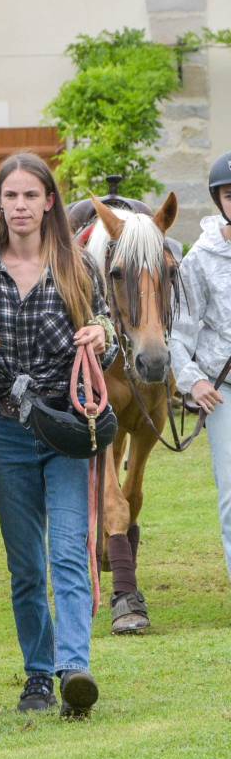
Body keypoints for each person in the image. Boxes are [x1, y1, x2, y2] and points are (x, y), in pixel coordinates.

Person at [0, 151, 117, 718]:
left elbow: (111, 325)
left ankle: (74, 669)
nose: (20, 206)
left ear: (49, 202)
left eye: (30, 195)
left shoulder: (76, 265)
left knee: (67, 551)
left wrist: (101, 334)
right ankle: (38, 675)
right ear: (0, 204)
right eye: (10, 196)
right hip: (9, 430)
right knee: (26, 566)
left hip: (66, 425)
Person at [169, 151, 231, 579]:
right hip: (225, 393)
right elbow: (179, 332)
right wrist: (193, 382)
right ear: (218, 200)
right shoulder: (200, 260)